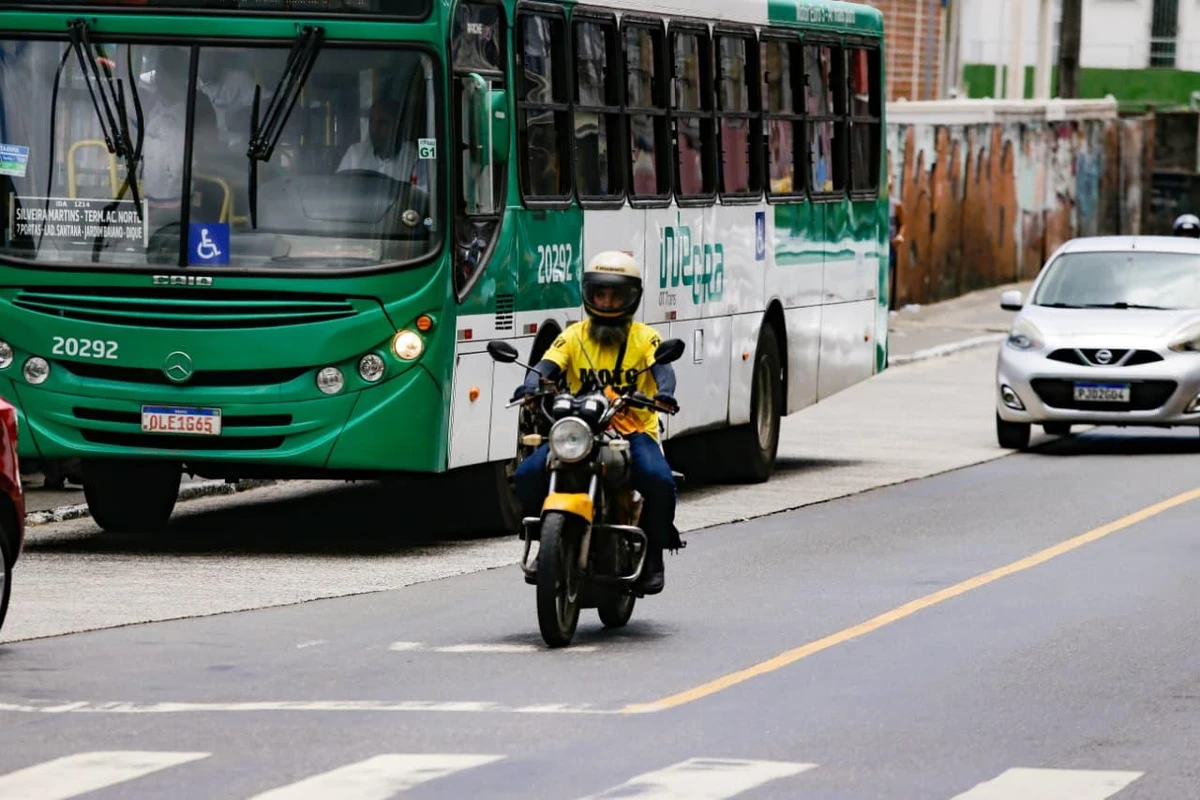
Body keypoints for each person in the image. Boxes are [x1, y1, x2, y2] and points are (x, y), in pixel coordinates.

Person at [510, 251, 679, 595]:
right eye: (600, 294)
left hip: (632, 431)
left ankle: (654, 555)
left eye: (616, 295)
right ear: (589, 294)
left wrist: (664, 393)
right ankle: (545, 541)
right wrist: (531, 387)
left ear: (632, 297)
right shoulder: (573, 336)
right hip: (580, 430)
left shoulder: (645, 337)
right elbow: (546, 366)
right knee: (527, 475)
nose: (607, 302)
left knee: (659, 480)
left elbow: (663, 369)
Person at [337, 97, 429, 188]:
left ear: (397, 126)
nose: (374, 129)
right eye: (371, 121)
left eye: (382, 122)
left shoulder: (414, 159)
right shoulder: (355, 154)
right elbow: (338, 187)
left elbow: (420, 192)